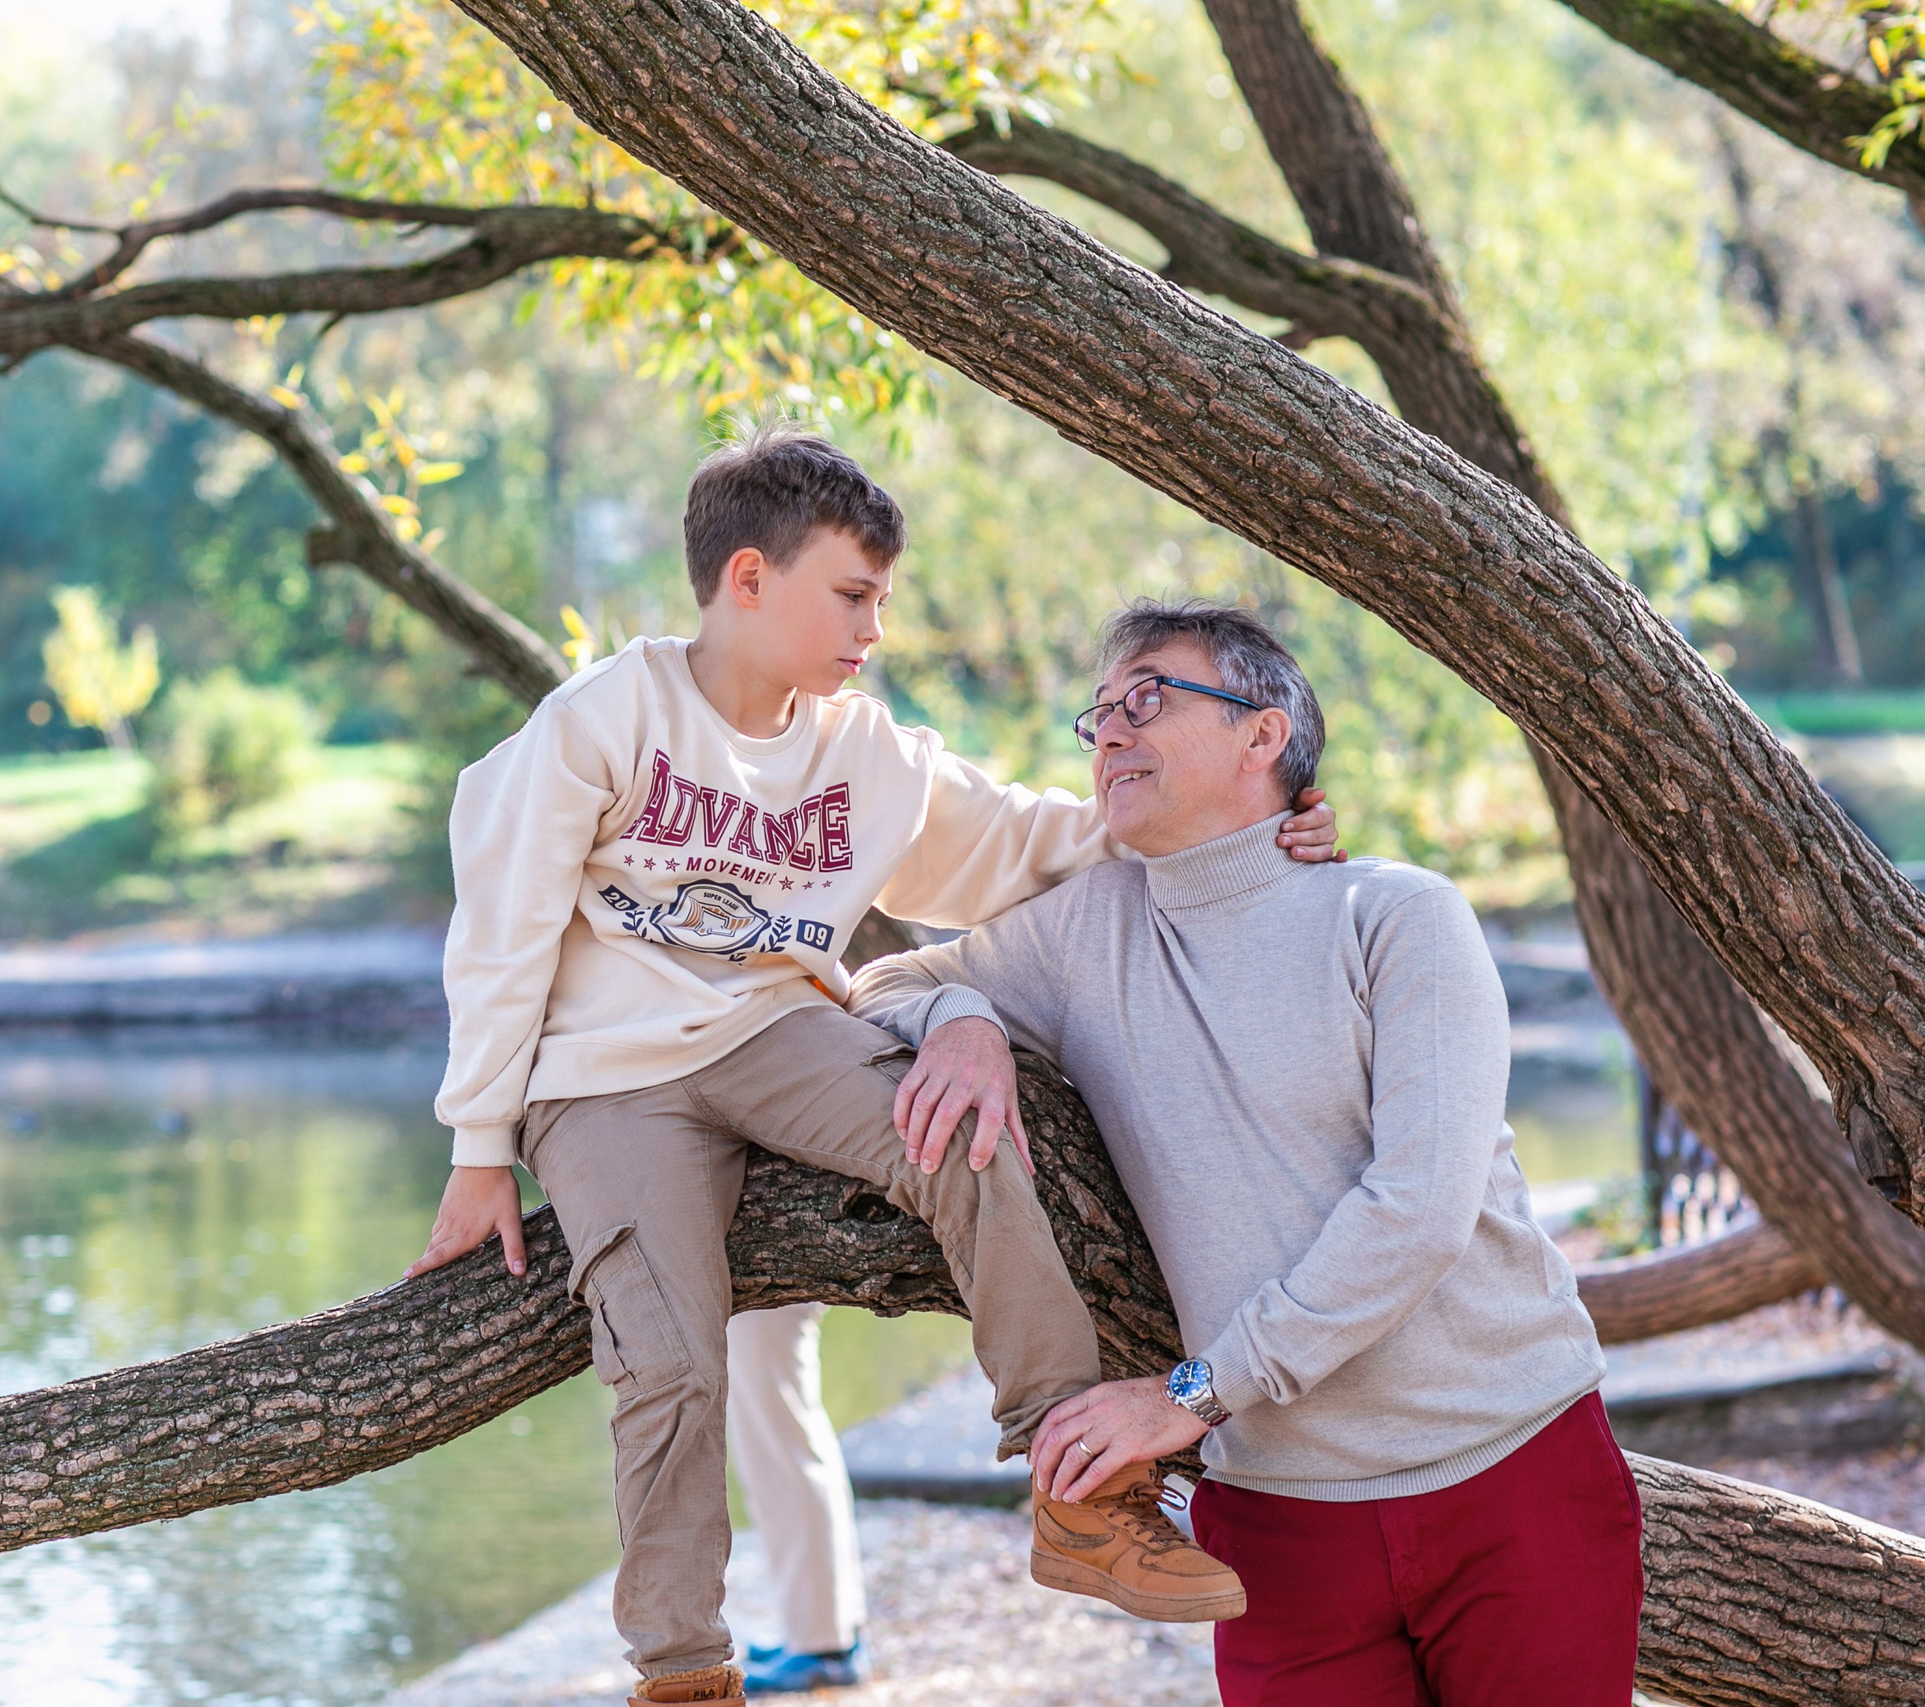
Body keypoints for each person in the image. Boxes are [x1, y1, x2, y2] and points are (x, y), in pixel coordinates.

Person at [403, 425, 1341, 1706]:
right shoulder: (606, 717)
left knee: (966, 1134)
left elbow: (1029, 841)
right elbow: (502, 930)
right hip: (604, 1074)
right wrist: (478, 1150)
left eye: (879, 601)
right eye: (852, 595)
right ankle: (682, 1669)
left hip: (777, 1032)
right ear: (747, 580)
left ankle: (1083, 1501)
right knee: (669, 1359)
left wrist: (1247, 813)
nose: (873, 629)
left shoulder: (864, 752)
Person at [850, 600, 1641, 1707]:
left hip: (1511, 1477)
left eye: (1148, 699)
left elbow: (1418, 1207)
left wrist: (1194, 1392)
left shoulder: (1399, 914)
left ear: (1262, 734)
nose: (1110, 730)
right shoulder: (1085, 933)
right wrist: (963, 1021)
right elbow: (878, 984)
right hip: (1277, 1522)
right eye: (1100, 712)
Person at [725, 1304, 865, 1693]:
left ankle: (822, 1645)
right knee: (786, 1440)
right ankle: (829, 1629)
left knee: (782, 1450)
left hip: (763, 1280)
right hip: (757, 1281)